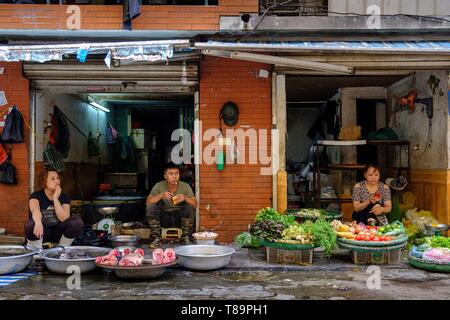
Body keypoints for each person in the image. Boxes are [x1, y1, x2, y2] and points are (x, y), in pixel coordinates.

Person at [25, 169, 84, 249]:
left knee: (77, 222)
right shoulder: (36, 195)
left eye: (58, 178)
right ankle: (36, 250)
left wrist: (55, 198)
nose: (57, 181)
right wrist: (38, 222)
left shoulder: (63, 197)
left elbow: (64, 218)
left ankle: (61, 249)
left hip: (57, 233)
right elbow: (35, 210)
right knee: (31, 224)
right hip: (41, 232)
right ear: (44, 181)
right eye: (53, 179)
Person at [146, 162, 197, 247]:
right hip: (164, 218)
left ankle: (185, 237)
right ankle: (157, 238)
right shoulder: (159, 186)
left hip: (179, 219)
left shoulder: (185, 186)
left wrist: (185, 198)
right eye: (171, 174)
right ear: (165, 176)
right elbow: (148, 202)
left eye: (177, 173)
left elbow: (195, 204)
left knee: (189, 207)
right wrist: (161, 195)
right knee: (151, 207)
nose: (174, 176)